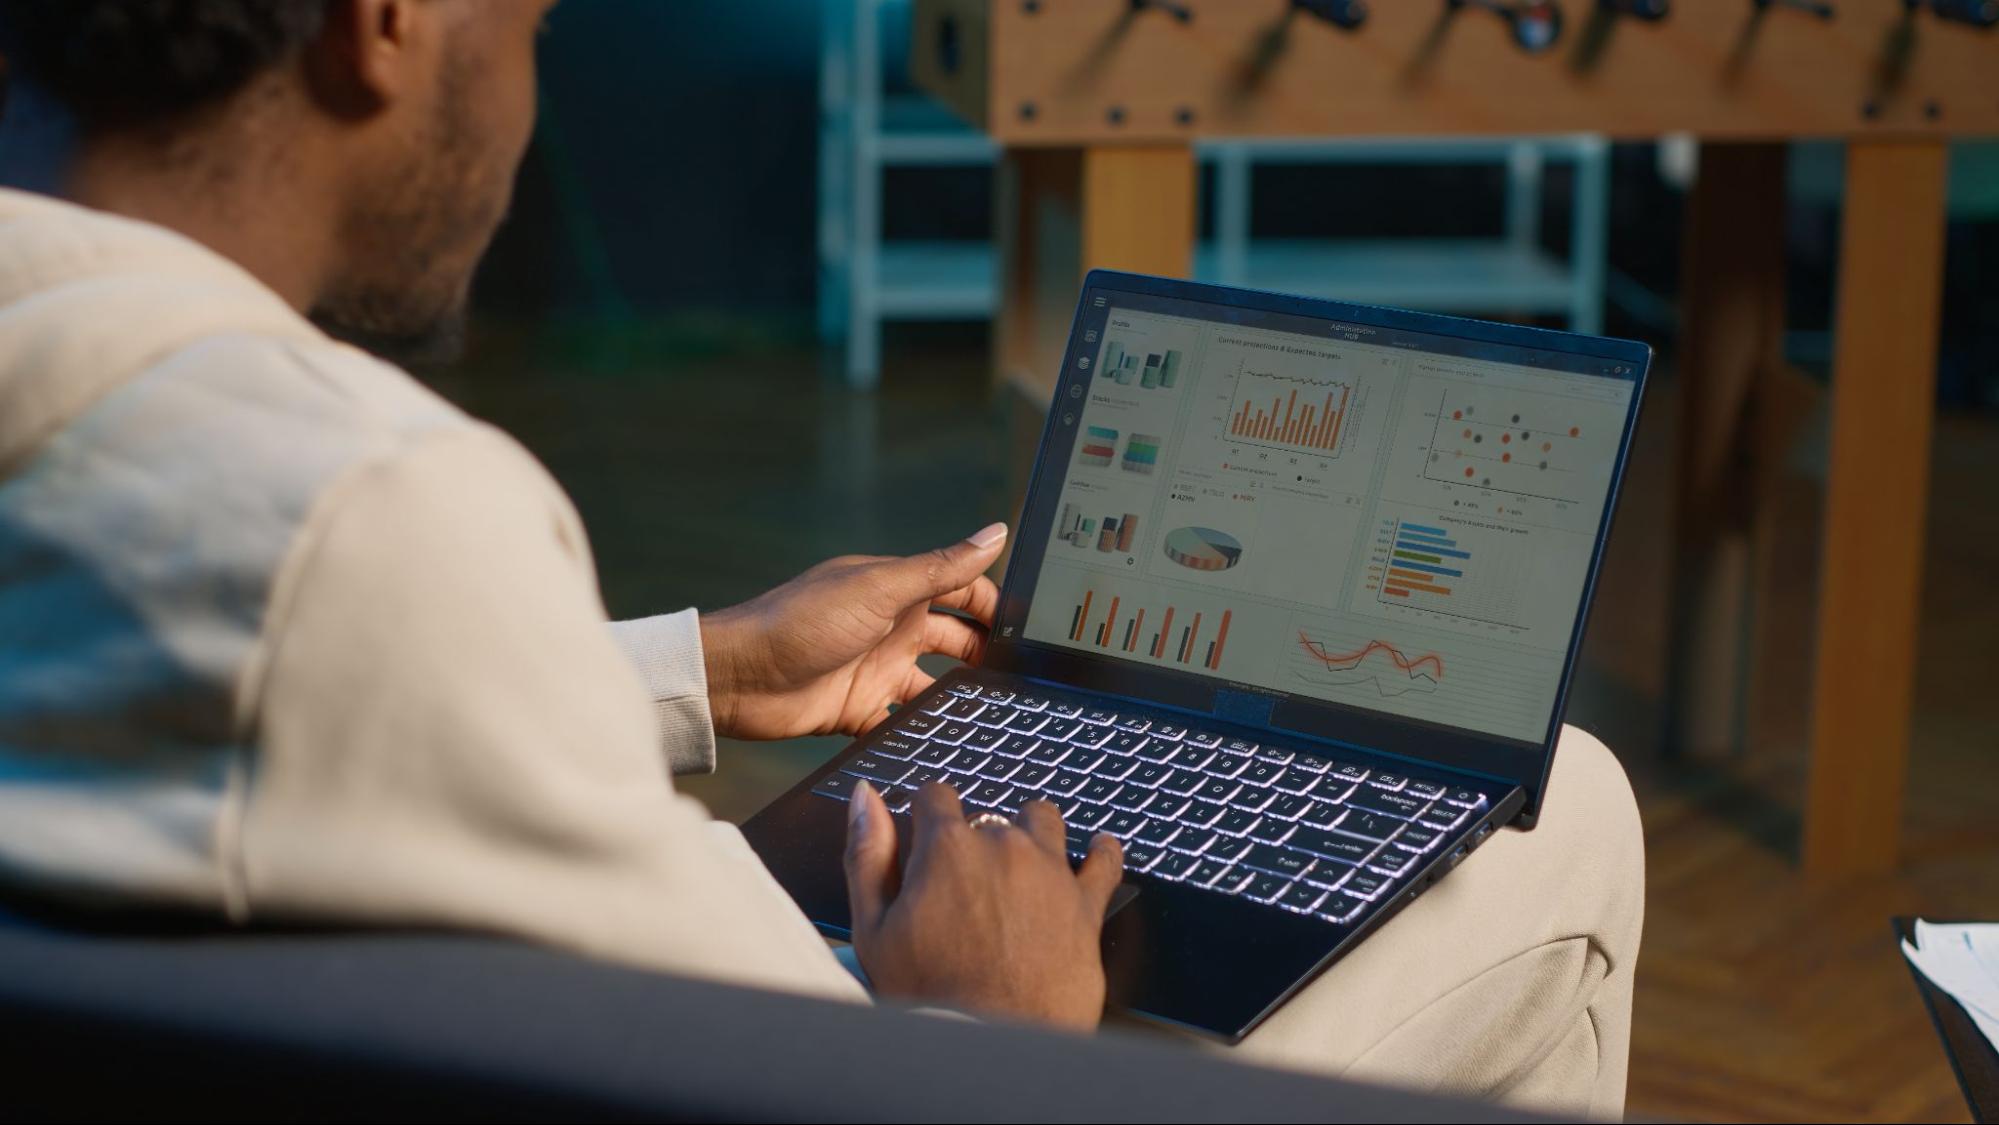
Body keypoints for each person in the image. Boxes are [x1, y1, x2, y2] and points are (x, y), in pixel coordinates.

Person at [0, 1, 1646, 1114]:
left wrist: (707, 665)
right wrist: (981, 1029)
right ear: (386, 24)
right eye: (532, 23)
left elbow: (266, 686)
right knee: (1566, 809)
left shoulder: (83, 385)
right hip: (893, 1062)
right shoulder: (374, 504)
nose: (523, 88)